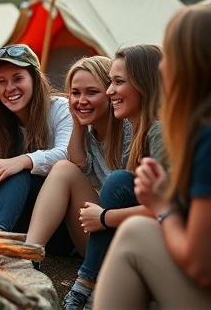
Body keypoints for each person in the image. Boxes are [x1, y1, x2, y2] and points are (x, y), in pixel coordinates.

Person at [94, 5, 211, 309]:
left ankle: (85, 282)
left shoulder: (204, 138)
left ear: (191, 64)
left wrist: (161, 205)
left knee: (135, 232)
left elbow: (201, 266)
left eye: (169, 54)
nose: (162, 66)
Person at [63, 44, 165, 309]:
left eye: (117, 82)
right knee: (111, 180)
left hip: (177, 243)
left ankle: (87, 284)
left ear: (145, 84)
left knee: (117, 181)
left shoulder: (157, 132)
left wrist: (105, 218)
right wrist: (76, 121)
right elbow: (76, 162)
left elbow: (172, 208)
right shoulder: (143, 129)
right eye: (110, 83)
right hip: (146, 232)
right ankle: (86, 284)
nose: (111, 92)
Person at [0, 43, 73, 237]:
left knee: (18, 171)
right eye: (1, 82)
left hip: (54, 226)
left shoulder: (61, 110)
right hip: (17, 219)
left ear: (35, 80)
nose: (9, 88)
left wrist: (22, 161)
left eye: (18, 79)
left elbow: (67, 154)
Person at [26, 56, 131, 260]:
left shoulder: (130, 130)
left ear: (110, 93)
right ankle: (30, 254)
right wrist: (77, 122)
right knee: (63, 169)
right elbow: (78, 164)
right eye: (75, 93)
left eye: (91, 92)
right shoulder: (90, 135)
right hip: (101, 236)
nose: (81, 100)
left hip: (131, 238)